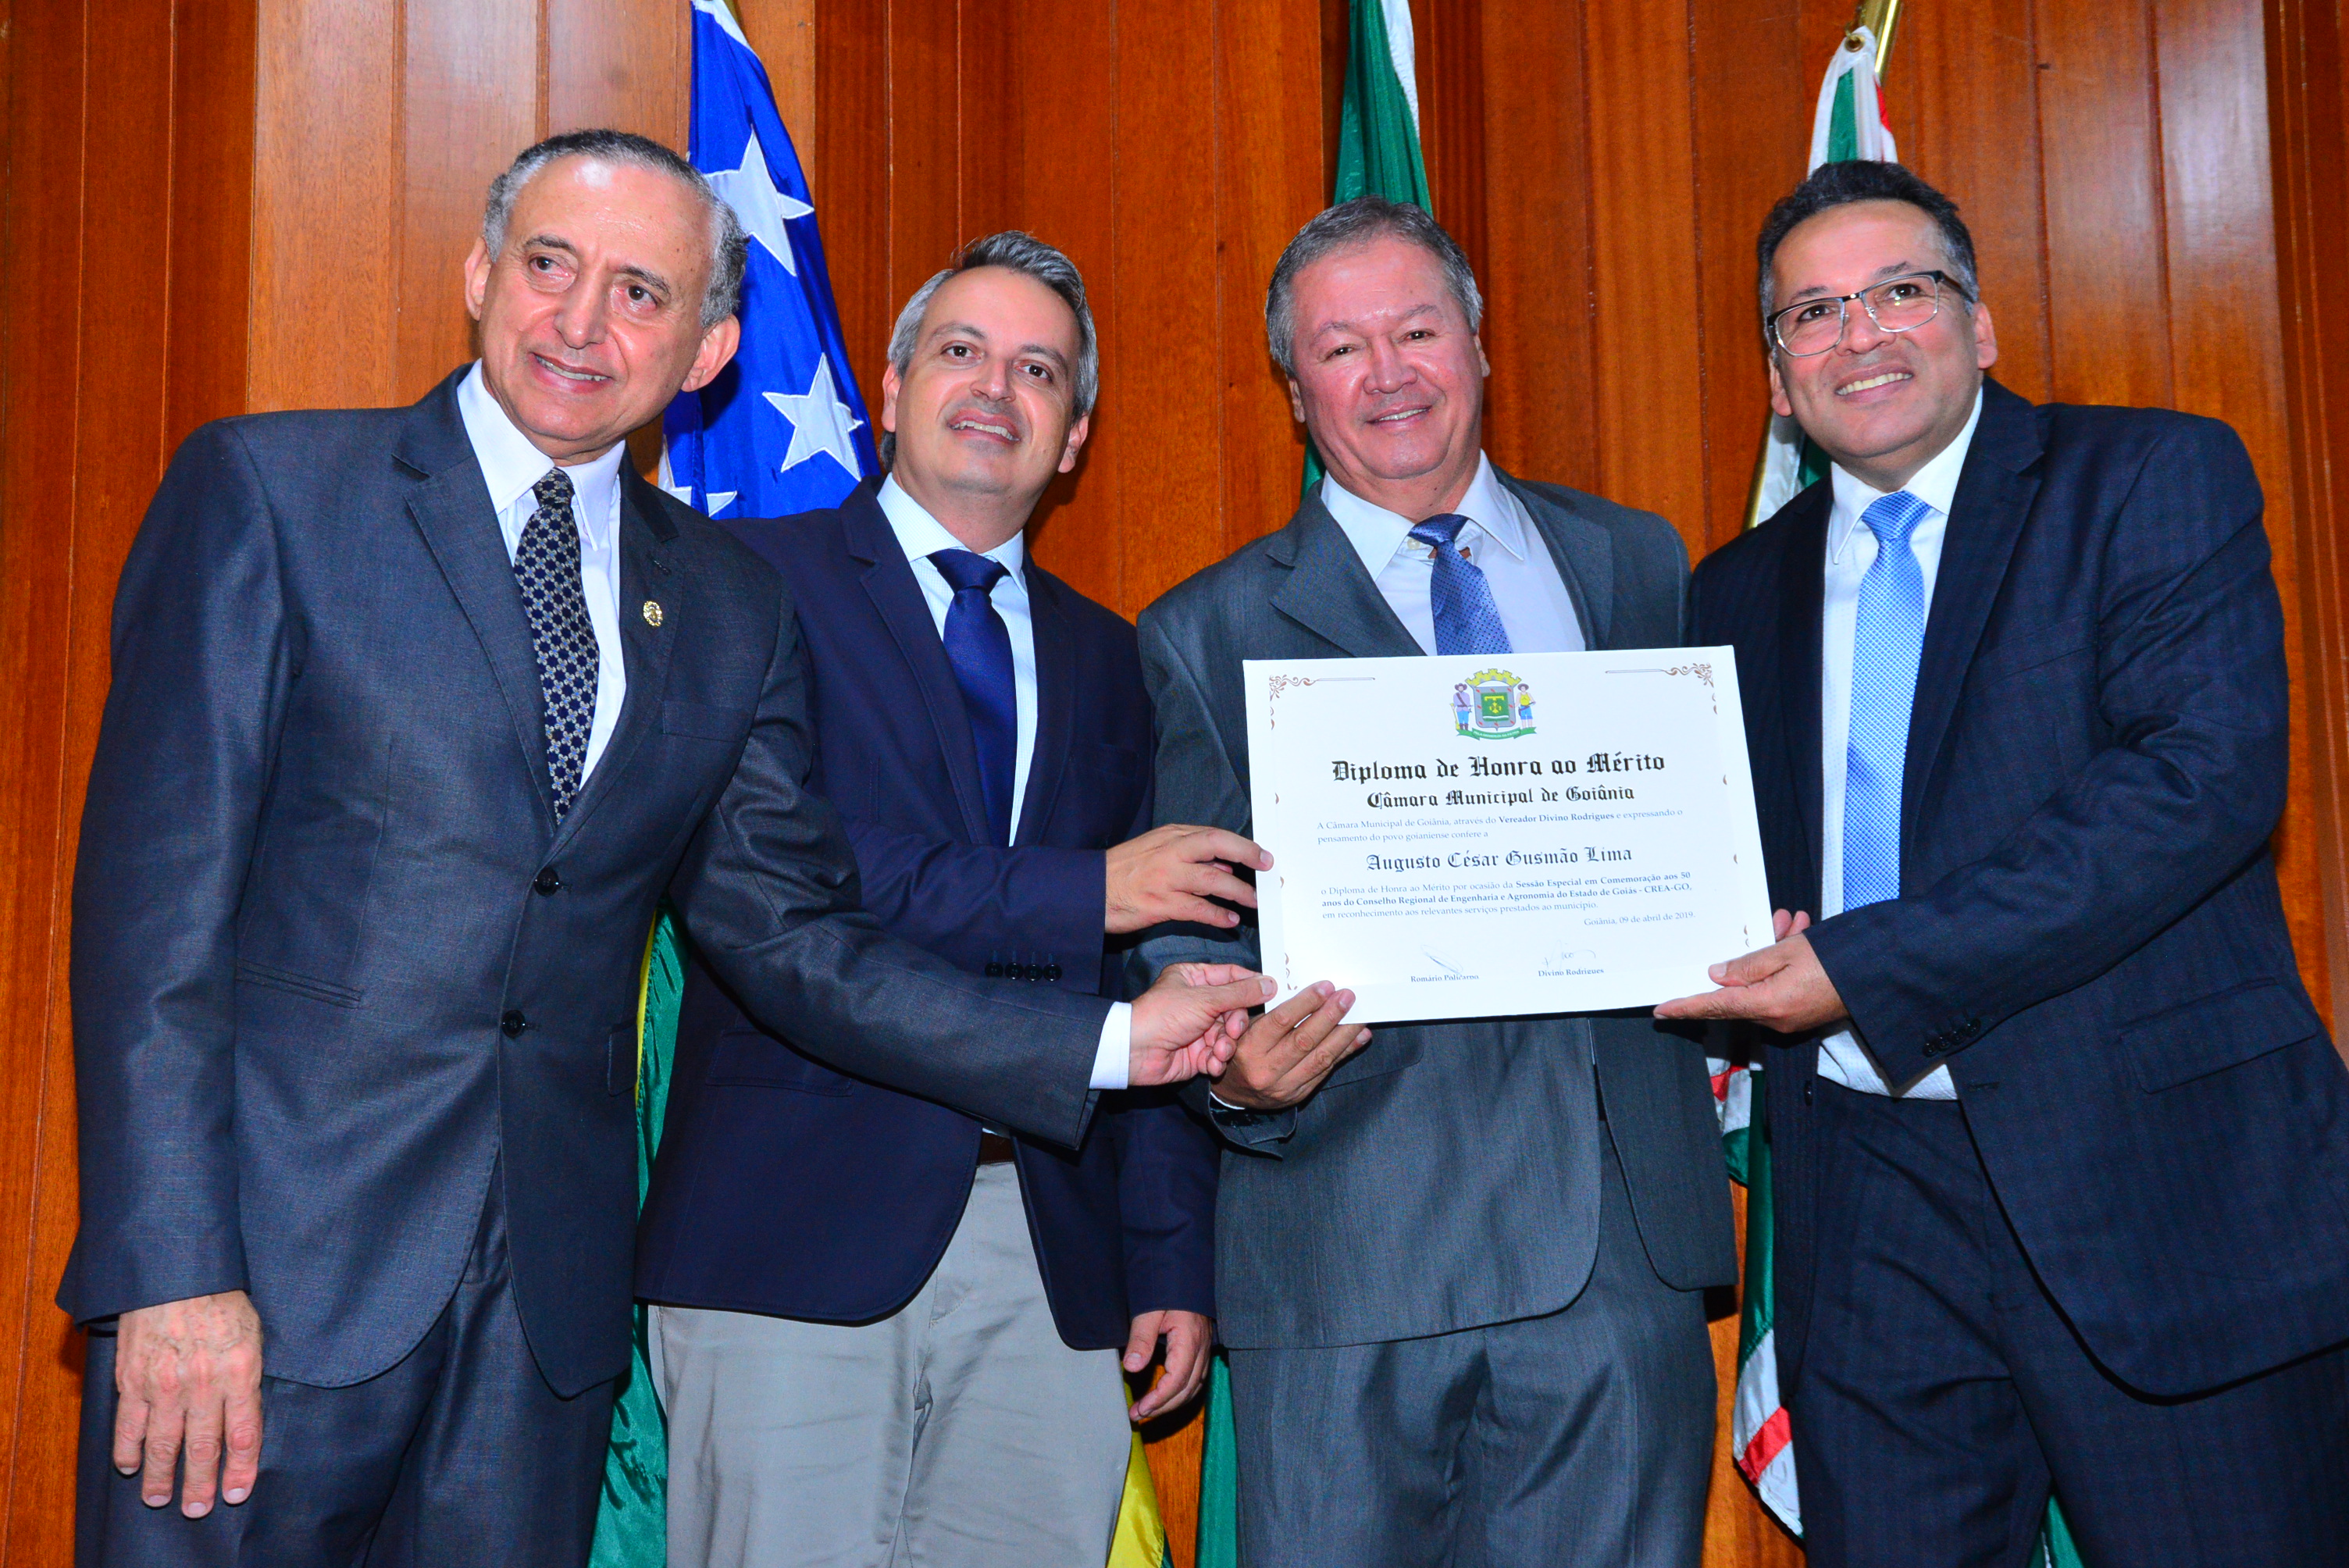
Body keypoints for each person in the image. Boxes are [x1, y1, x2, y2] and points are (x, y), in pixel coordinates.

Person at [62, 130, 1268, 1568]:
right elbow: (153, 929)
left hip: (542, 1326)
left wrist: (1116, 1046)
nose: (583, 322)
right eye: (550, 265)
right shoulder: (274, 494)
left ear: (707, 352)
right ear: (479, 276)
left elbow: (789, 934)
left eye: (641, 293)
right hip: (267, 1286)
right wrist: (173, 1269)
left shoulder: (721, 603)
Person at [1664, 159, 2349, 1566]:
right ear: (1779, 380)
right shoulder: (1730, 592)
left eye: (1901, 291)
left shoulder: (2148, 478)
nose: (1860, 334)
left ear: (1977, 325)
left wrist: (1862, 965)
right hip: (1863, 1194)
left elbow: (2196, 787)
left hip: (2154, 1183)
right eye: (1813, 314)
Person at [636, 233, 1293, 1566]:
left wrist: (1168, 1257)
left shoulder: (1119, 660)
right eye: (962, 352)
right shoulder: (742, 582)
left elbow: (1157, 982)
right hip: (791, 1229)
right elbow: (783, 874)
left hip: (1050, 1249)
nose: (997, 388)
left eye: (1039, 371)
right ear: (890, 387)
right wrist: (1082, 890)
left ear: (1075, 436)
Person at [1135, 196, 1737, 1566]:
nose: (1388, 373)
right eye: (1341, 348)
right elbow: (1182, 933)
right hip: (1347, 1248)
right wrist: (1234, 1072)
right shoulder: (1204, 631)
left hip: (1615, 1253)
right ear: (1297, 392)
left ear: (1478, 346)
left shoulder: (1636, 561)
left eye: (1416, 331)